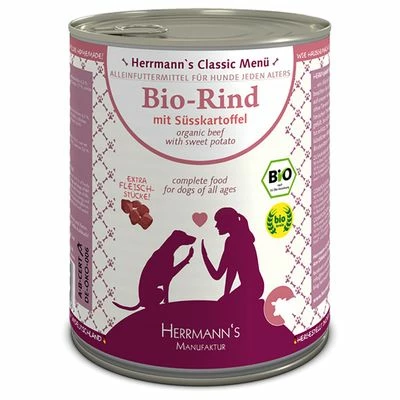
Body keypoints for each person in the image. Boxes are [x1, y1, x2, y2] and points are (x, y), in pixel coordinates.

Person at [201, 207, 264, 303]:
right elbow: (221, 274)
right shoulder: (232, 241)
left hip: (253, 288)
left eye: (219, 222)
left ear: (227, 222)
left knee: (222, 305)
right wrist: (205, 256)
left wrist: (226, 296)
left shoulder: (236, 241)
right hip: (251, 287)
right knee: (222, 304)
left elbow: (229, 273)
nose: (216, 226)